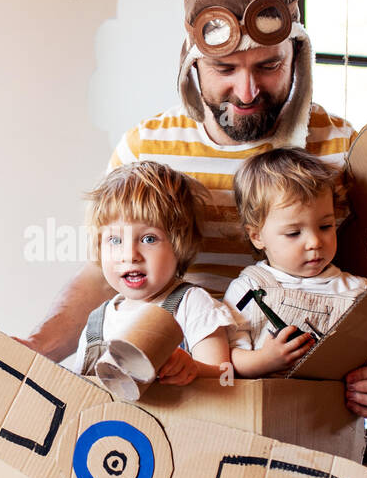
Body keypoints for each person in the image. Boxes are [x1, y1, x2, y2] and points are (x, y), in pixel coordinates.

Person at [19, 0, 367, 418]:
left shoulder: (340, 144)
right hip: (175, 392)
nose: (247, 91)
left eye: (268, 66)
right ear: (192, 62)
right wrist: (35, 348)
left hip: (300, 397)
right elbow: (105, 272)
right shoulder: (146, 147)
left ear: (296, 54)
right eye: (225, 69)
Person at [225, 147, 367, 378]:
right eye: (293, 233)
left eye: (325, 227)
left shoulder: (359, 292)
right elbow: (228, 358)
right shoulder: (247, 288)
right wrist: (265, 360)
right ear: (256, 236)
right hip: (270, 409)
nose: (314, 242)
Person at [75, 161, 246, 386]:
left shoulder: (191, 305)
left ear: (178, 245)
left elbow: (226, 376)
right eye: (115, 240)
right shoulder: (96, 324)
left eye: (149, 239)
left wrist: (195, 369)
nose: (130, 255)